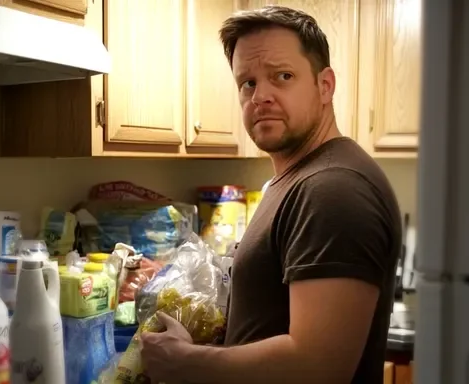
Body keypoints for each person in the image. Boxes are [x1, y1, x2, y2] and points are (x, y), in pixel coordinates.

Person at [140, 5, 403, 383]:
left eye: (283, 76)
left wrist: (186, 362)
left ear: (324, 85)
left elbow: (319, 366)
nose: (260, 95)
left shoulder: (333, 190)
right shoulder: (298, 180)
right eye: (247, 82)